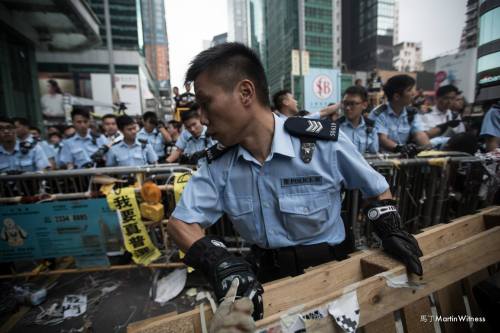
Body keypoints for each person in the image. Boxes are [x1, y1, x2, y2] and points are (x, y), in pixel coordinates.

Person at [166, 43, 423, 327]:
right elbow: (180, 224)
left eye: (206, 103)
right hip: (268, 289)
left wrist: (390, 228)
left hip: (334, 283)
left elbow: (377, 189)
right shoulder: (218, 166)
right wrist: (220, 262)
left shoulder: (323, 144)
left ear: (245, 92)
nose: (201, 117)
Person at [369, 75, 430, 156]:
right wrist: (400, 148)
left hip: (405, 160)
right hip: (384, 162)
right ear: (397, 96)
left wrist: (429, 150)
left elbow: (419, 134)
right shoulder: (379, 114)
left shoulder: (411, 113)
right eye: (409, 90)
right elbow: (382, 139)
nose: (413, 93)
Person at [338, 86, 379, 154]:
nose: (348, 108)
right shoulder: (336, 127)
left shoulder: (370, 127)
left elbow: (374, 154)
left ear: (364, 105)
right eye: (345, 103)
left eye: (352, 104)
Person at [272, 89, 341, 120]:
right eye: (293, 98)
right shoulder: (276, 123)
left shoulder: (298, 121)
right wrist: (342, 103)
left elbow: (323, 112)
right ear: (285, 102)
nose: (296, 101)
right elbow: (323, 112)